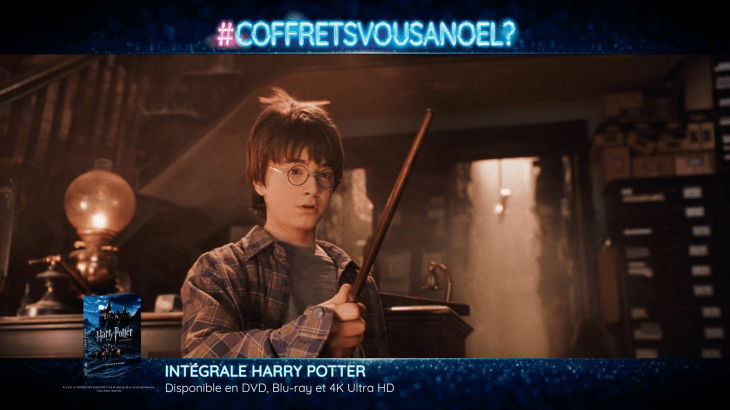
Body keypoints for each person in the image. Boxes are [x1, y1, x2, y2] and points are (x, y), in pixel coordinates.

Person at [180, 88, 388, 358]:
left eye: (324, 174)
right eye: (295, 171)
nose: (313, 188)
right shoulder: (218, 270)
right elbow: (203, 362)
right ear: (259, 181)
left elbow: (379, 376)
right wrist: (316, 335)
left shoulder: (356, 279)